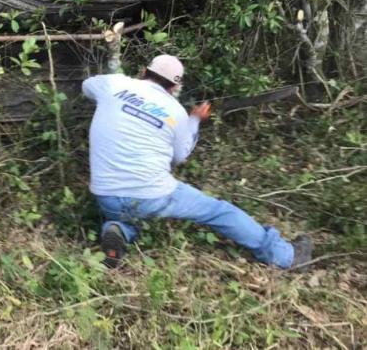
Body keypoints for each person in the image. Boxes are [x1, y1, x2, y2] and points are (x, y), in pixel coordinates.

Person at [82, 54, 313, 269]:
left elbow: (87, 85)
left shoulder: (114, 85)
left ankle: (117, 230)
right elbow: (180, 156)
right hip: (152, 195)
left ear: (144, 71)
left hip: (106, 196)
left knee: (130, 215)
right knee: (218, 211)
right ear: (174, 87)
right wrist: (194, 120)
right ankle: (285, 256)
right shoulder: (176, 111)